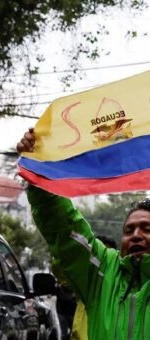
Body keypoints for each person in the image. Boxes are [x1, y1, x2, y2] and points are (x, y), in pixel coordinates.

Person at [17, 127, 150, 339]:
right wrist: (39, 167)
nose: (135, 235)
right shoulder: (103, 272)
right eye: (129, 230)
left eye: (147, 229)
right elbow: (64, 225)